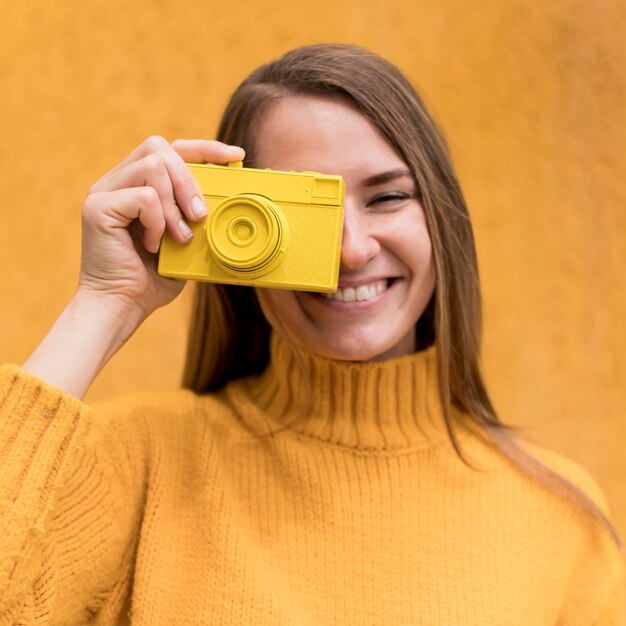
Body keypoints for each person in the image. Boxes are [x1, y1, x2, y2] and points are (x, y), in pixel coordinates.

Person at [0, 44, 623, 625]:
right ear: (230, 226)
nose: (351, 252)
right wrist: (102, 304)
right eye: (306, 211)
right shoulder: (137, 464)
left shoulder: (561, 518)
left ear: (440, 215)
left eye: (388, 198)